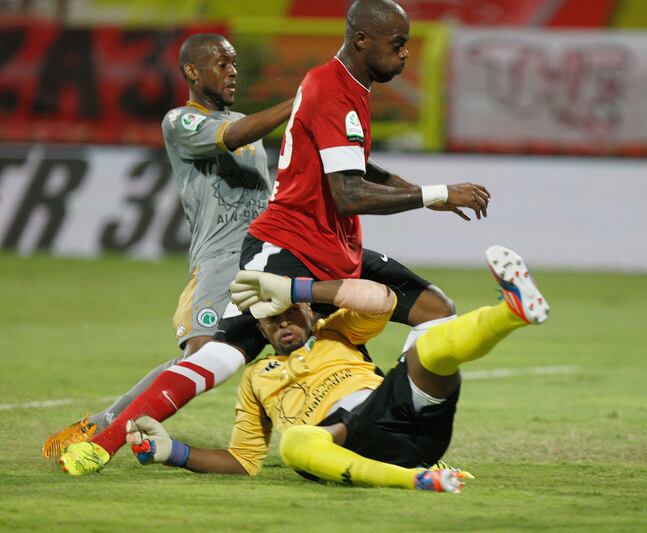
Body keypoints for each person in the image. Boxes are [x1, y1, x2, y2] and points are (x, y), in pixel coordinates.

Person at [56, 0, 491, 473]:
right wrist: (435, 193)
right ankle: (106, 438)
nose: (406, 55)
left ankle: (397, 421)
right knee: (217, 356)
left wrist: (426, 193)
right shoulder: (323, 87)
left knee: (437, 311)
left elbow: (353, 167)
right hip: (281, 248)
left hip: (330, 245)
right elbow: (346, 193)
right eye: (399, 44)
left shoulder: (347, 90)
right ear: (362, 40)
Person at [61, 244, 550, 494]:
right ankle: (416, 479)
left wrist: (300, 291)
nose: (281, 325)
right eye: (268, 322)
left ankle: (514, 311)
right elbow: (245, 460)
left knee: (433, 346)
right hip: (345, 439)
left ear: (308, 314)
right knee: (295, 443)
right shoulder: (256, 379)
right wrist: (174, 452)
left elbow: (380, 300)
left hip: (395, 412)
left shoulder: (341, 331)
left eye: (287, 314)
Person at [41, 33, 294, 458]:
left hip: (264, 261)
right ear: (192, 72)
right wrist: (299, 102)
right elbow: (230, 135)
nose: (232, 70)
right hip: (218, 266)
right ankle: (103, 429)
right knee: (196, 362)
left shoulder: (250, 124)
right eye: (221, 63)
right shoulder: (182, 120)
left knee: (316, 343)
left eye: (234, 63)